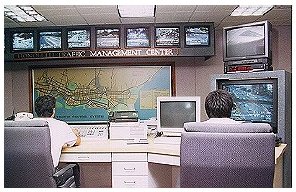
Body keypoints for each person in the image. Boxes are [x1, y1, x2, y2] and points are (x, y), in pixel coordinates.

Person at [34, 95, 81, 168]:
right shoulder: (61, 125)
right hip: (48, 175)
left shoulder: (25, 125)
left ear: (36, 110)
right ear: (53, 110)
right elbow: (77, 141)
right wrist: (74, 133)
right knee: (75, 167)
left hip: (25, 175)